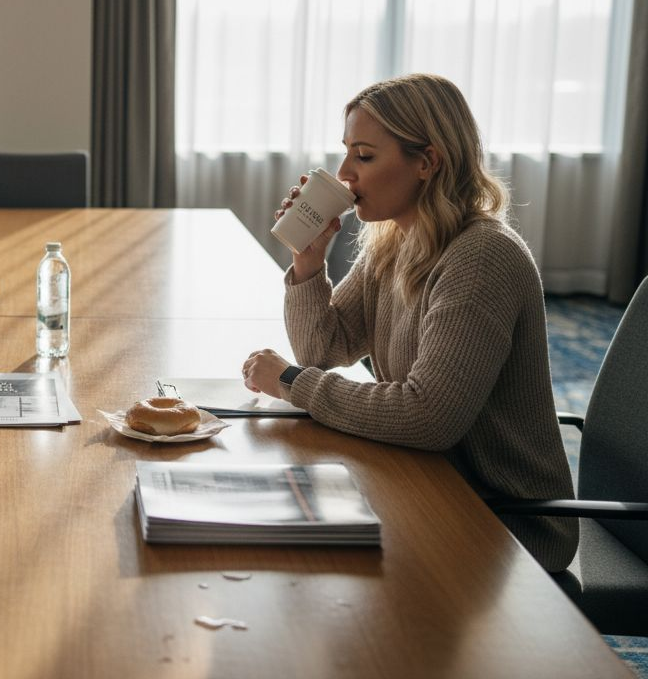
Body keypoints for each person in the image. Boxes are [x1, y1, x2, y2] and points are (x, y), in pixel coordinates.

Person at [240, 73, 577, 572]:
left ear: (427, 163)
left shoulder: (482, 257)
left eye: (365, 155)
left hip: (503, 519)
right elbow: (325, 348)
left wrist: (291, 382)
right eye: (347, 152)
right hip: (428, 479)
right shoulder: (395, 244)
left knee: (301, 563)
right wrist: (308, 260)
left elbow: (428, 416)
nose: (344, 174)